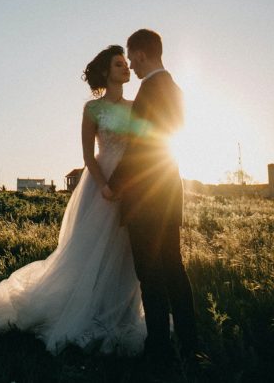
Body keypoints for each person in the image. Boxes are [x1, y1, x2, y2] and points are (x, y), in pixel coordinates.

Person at [0, 45, 145, 355]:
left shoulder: (138, 106)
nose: (126, 68)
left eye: (126, 63)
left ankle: (120, 313)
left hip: (131, 182)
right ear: (107, 72)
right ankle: (82, 311)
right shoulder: (92, 109)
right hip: (101, 187)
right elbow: (87, 156)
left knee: (125, 253)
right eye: (119, 64)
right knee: (89, 252)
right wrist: (104, 186)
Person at [105, 29, 198, 362]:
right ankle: (190, 345)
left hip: (146, 198)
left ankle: (158, 348)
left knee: (150, 275)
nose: (132, 65)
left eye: (131, 58)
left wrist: (113, 185)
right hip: (170, 192)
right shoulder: (175, 89)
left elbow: (139, 147)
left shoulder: (148, 90)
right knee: (174, 269)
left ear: (141, 54)